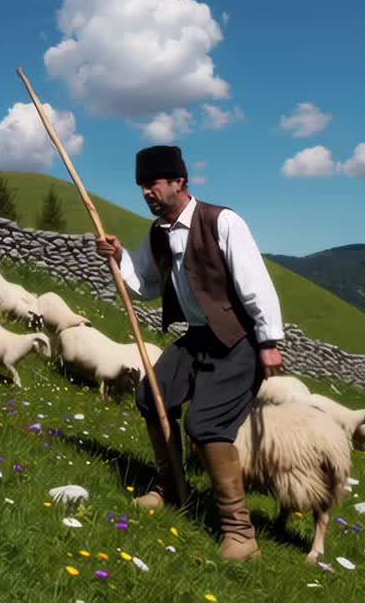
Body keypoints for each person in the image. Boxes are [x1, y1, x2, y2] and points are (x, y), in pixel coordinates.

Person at [95, 145, 284, 561]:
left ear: (180, 182)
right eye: (142, 185)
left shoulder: (221, 221)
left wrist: (268, 342)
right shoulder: (157, 234)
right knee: (151, 396)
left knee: (206, 424)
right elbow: (143, 287)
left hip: (238, 340)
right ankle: (171, 490)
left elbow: (256, 284)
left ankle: (240, 533)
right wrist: (119, 257)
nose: (147, 192)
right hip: (198, 336)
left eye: (154, 183)